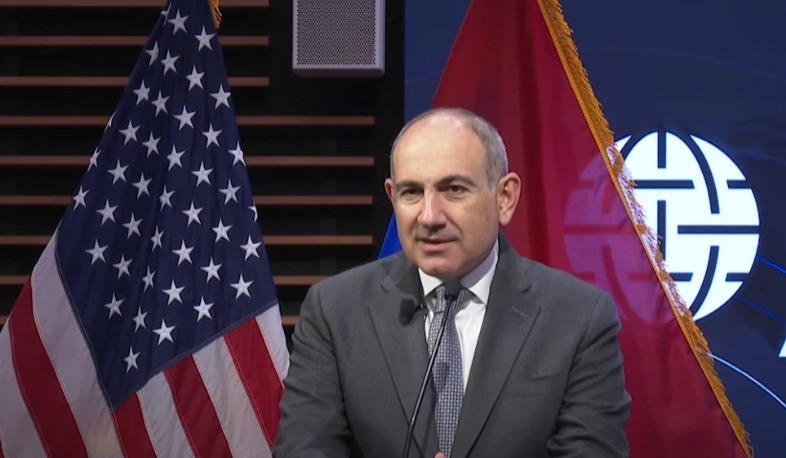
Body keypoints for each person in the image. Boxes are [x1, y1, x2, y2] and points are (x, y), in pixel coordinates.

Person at [274, 108, 630, 457]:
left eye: (454, 189)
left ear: (505, 197)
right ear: (392, 197)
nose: (430, 217)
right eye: (412, 192)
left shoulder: (579, 319)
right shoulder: (334, 311)